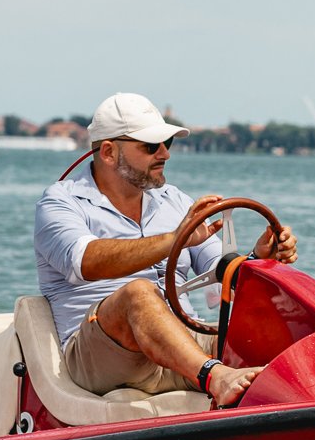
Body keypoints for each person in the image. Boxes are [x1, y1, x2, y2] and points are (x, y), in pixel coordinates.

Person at [33, 92, 297, 408]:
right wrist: (175, 239)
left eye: (166, 144)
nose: (164, 154)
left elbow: (221, 270)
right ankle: (216, 378)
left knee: (271, 329)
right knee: (138, 295)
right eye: (150, 146)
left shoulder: (175, 201)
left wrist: (258, 259)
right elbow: (85, 261)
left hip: (182, 346)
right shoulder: (60, 202)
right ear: (107, 152)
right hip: (102, 356)